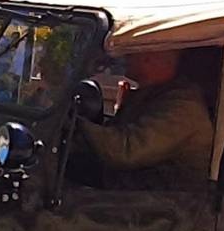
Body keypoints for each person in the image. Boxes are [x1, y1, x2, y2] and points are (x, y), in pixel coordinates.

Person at [77, 48, 214, 191]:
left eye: (132, 54)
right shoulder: (154, 95)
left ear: (148, 58)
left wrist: (79, 124)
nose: (126, 59)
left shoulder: (183, 107)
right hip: (134, 190)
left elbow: (127, 150)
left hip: (166, 202)